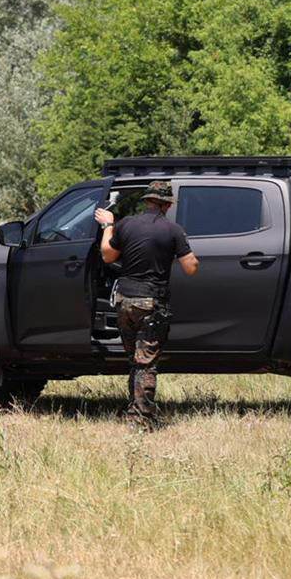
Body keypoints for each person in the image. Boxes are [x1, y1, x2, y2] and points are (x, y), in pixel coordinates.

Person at [94, 180, 199, 430]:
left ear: (147, 201)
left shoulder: (126, 224)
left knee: (134, 360)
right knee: (147, 362)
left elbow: (108, 255)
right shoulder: (173, 230)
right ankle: (141, 420)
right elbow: (191, 268)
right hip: (151, 302)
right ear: (166, 204)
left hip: (124, 301)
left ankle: (134, 409)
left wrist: (108, 226)